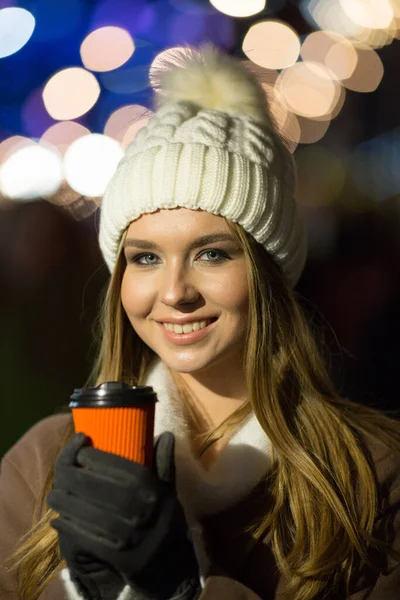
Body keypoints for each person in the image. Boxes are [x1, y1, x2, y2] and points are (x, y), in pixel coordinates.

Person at [1, 43, 400, 600]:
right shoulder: (40, 464)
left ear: (268, 269)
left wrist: (183, 590)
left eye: (212, 253)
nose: (174, 292)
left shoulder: (373, 475)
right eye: (144, 257)